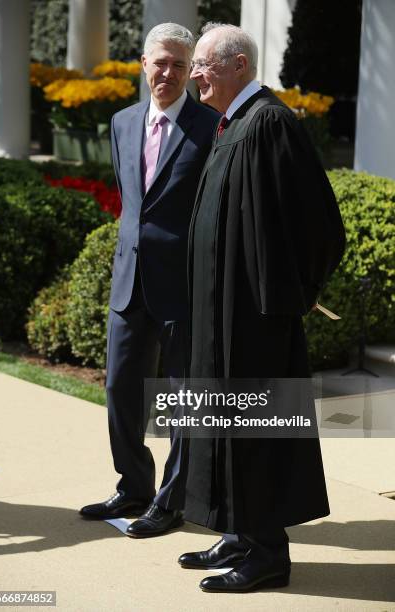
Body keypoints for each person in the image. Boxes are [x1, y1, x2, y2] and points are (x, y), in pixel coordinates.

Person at [178, 23, 346, 592]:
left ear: (239, 67)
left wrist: (290, 295)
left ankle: (268, 551)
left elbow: (321, 224)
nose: (194, 74)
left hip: (254, 322)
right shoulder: (234, 124)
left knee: (254, 428)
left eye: (203, 64)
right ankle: (240, 531)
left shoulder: (269, 123)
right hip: (219, 317)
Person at [80, 23, 219, 538]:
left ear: (191, 71)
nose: (169, 72)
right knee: (120, 389)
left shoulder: (211, 128)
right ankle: (133, 485)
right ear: (144, 63)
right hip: (129, 281)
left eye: (180, 65)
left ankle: (173, 500)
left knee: (185, 399)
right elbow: (130, 204)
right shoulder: (121, 122)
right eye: (161, 62)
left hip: (181, 286)